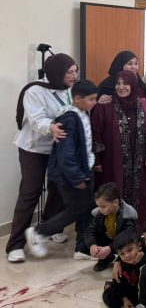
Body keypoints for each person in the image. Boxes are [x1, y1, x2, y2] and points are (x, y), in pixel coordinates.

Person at [7, 53, 78, 262]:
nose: (74, 76)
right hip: (34, 148)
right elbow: (37, 120)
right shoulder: (34, 91)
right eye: (69, 72)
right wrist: (52, 127)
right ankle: (15, 245)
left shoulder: (70, 90)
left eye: (75, 72)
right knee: (30, 192)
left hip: (59, 147)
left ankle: (50, 227)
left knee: (58, 188)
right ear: (57, 72)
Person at [25, 80, 98, 260]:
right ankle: (39, 232)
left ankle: (82, 248)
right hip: (70, 175)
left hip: (82, 171)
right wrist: (76, 177)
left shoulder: (81, 114)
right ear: (78, 99)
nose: (94, 102)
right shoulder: (69, 119)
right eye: (91, 99)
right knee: (77, 209)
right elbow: (66, 153)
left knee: (87, 209)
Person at [92, 70, 146, 227]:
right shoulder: (105, 107)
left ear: (134, 85)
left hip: (141, 164)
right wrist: (98, 160)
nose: (121, 87)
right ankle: (114, 230)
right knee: (113, 195)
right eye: (118, 83)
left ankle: (140, 229)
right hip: (113, 163)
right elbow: (96, 133)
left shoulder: (145, 105)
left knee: (142, 196)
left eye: (125, 83)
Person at [80, 183, 138, 272]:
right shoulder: (100, 213)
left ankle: (119, 259)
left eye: (103, 206)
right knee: (82, 246)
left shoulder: (127, 216)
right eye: (98, 206)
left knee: (126, 251)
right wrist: (92, 245)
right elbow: (89, 231)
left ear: (115, 202)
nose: (100, 209)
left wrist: (110, 248)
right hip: (108, 240)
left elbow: (129, 239)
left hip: (122, 242)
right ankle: (106, 258)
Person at [103, 230, 146, 308]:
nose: (127, 255)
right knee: (112, 300)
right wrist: (125, 299)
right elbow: (117, 282)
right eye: (122, 254)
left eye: (130, 250)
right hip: (127, 286)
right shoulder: (122, 266)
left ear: (139, 246)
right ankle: (107, 287)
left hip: (139, 288)